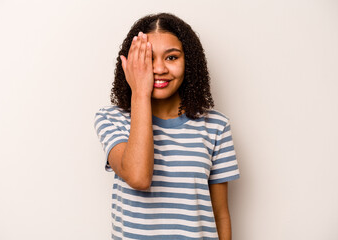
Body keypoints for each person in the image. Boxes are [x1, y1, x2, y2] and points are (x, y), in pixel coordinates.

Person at [94, 12, 240, 240]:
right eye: (148, 58)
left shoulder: (216, 126)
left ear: (189, 62)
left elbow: (220, 214)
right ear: (131, 65)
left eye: (171, 58)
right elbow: (139, 177)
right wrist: (140, 92)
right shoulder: (113, 119)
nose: (159, 68)